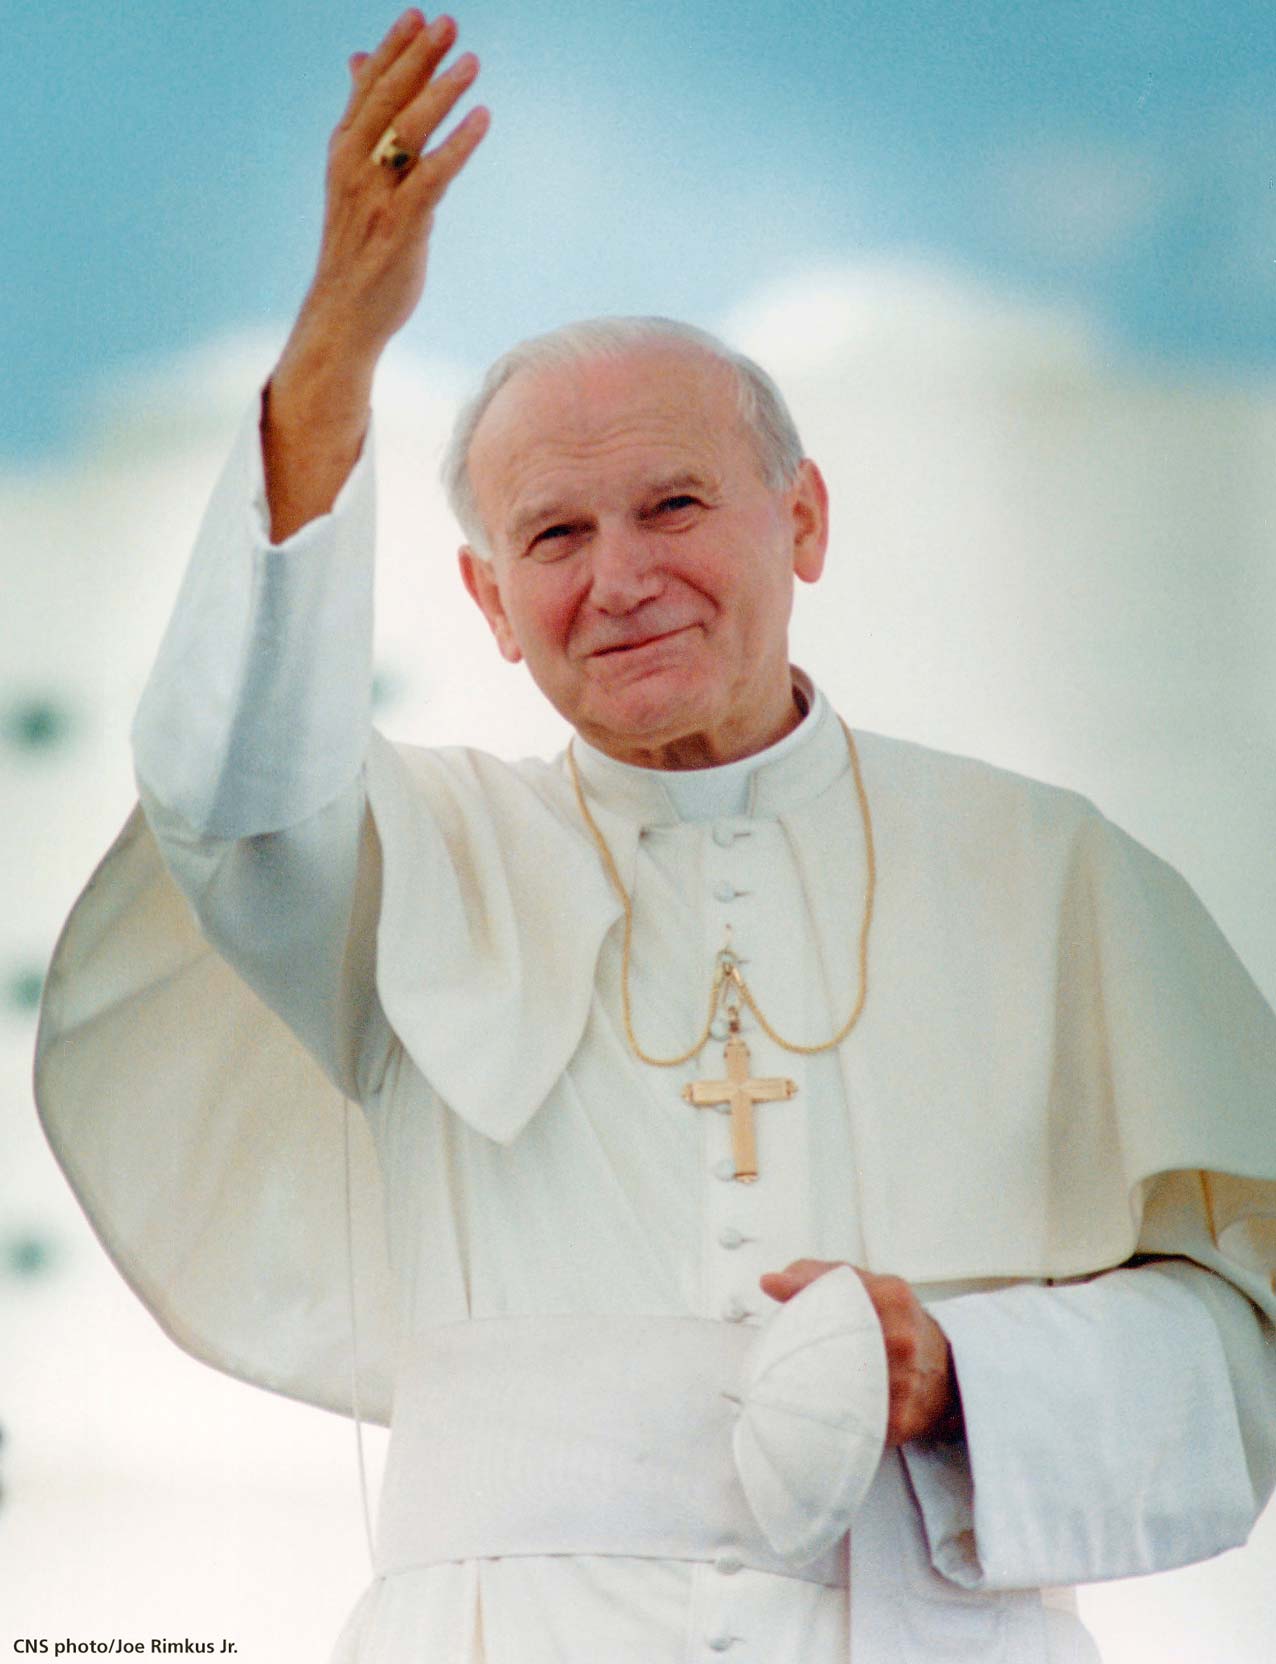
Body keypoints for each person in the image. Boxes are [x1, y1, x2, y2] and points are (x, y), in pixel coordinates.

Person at [35, 11, 1276, 1663]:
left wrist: (962, 1373)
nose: (620, 580)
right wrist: (336, 346)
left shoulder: (1049, 872)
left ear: (802, 521)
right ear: (490, 602)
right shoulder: (405, 862)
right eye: (553, 534)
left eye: (675, 505)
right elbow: (226, 782)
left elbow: (1238, 1342)